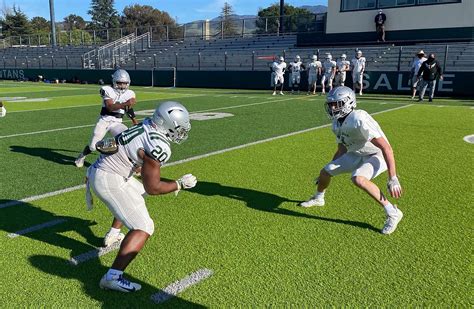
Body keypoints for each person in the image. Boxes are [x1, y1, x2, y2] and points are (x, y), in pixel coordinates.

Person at [86, 101, 197, 292]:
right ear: (167, 124)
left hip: (104, 170)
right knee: (144, 227)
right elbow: (153, 187)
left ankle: (113, 234)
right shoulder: (158, 145)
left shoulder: (146, 125)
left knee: (138, 194)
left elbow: (116, 145)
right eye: (178, 128)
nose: (180, 132)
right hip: (109, 178)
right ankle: (112, 277)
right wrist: (179, 184)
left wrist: (132, 163)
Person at [299, 86, 403, 235]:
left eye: (337, 104)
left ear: (348, 102)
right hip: (356, 154)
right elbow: (341, 150)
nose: (333, 107)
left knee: (358, 178)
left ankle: (393, 212)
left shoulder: (358, 117)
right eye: (331, 104)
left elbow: (386, 147)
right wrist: (329, 167)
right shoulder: (336, 123)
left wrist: (392, 178)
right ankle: (319, 198)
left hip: (376, 154)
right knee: (325, 172)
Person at [75, 69, 139, 168]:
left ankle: (132, 164)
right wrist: (126, 103)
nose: (122, 86)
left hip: (117, 122)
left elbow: (128, 109)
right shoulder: (107, 90)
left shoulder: (130, 93)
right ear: (114, 82)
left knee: (127, 139)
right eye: (119, 83)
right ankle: (82, 156)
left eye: (124, 83)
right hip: (105, 120)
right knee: (93, 146)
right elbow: (109, 107)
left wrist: (134, 121)